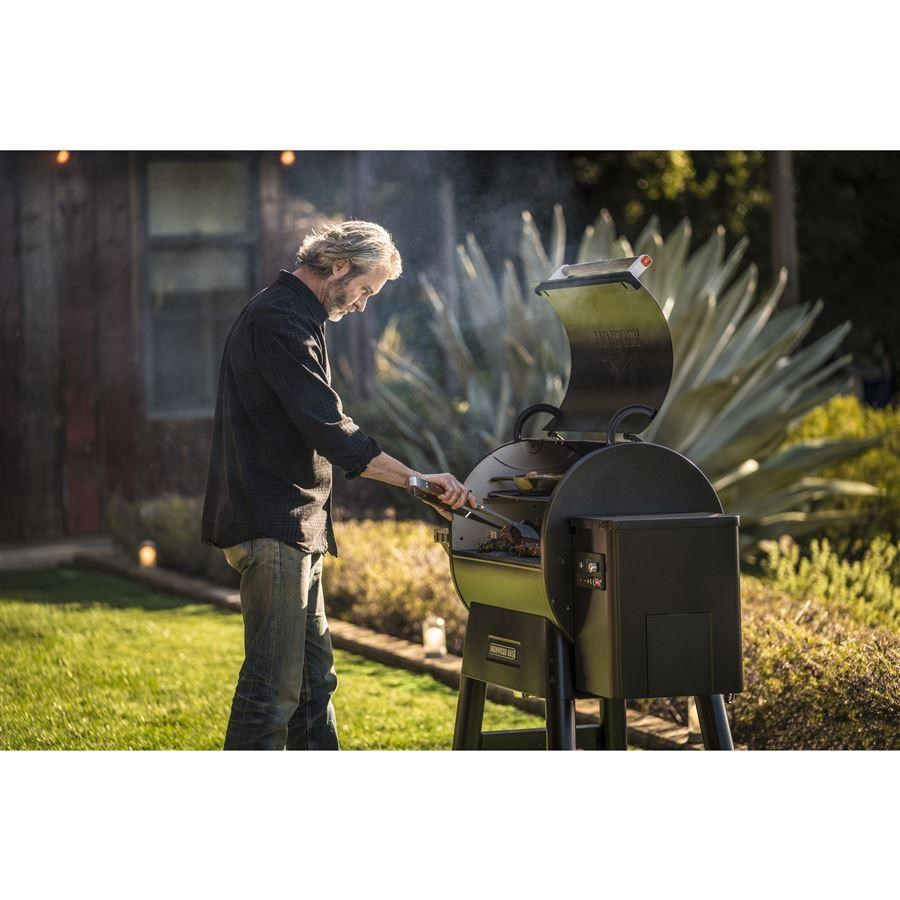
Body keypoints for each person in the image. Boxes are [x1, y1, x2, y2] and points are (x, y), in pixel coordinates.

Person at [201, 220, 475, 750]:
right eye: (365, 290)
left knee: (313, 685)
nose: (363, 305)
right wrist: (418, 482)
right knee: (272, 692)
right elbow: (332, 431)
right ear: (340, 266)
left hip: (294, 529)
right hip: (274, 525)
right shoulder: (280, 320)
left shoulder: (295, 316)